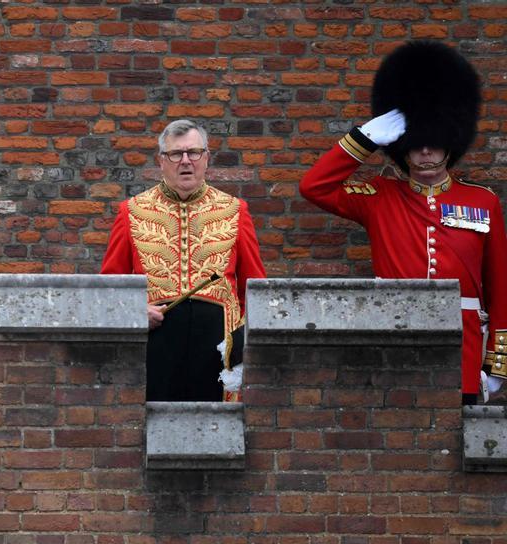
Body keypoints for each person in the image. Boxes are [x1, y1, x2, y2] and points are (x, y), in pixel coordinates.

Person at [299, 41, 507, 404]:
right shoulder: (380, 196)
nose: (425, 150)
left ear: (450, 142)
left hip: (464, 353)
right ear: (402, 147)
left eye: (434, 142)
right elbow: (313, 186)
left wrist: (497, 362)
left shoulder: (482, 201)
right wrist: (362, 140)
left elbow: (500, 287)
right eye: (415, 143)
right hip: (393, 344)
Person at [100, 119, 266, 402]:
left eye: (194, 153)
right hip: (156, 343)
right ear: (161, 161)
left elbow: (253, 288)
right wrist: (135, 310)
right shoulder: (132, 211)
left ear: (207, 158)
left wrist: (241, 347)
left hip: (217, 346)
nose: (186, 161)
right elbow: (109, 288)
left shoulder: (235, 210)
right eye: (176, 154)